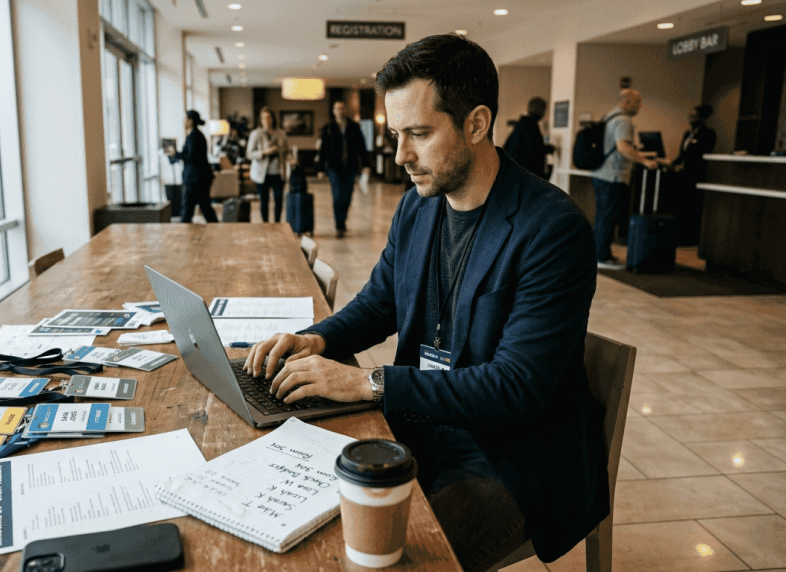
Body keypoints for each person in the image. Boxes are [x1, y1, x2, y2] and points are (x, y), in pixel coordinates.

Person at [246, 34, 608, 570]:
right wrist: (317, 338)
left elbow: (515, 388)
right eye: (396, 134)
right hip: (420, 427)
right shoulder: (420, 208)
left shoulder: (552, 230)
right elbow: (381, 300)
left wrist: (369, 382)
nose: (400, 156)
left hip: (510, 457)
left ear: (477, 124)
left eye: (418, 133)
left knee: (385, 558)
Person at [589, 89, 658, 269]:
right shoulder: (624, 120)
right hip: (614, 175)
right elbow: (623, 147)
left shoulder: (609, 117)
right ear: (626, 102)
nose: (640, 106)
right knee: (608, 216)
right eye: (637, 102)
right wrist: (645, 161)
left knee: (603, 215)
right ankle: (602, 256)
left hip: (601, 173)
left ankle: (599, 254)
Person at [317, 100, 370, 237]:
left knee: (347, 195)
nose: (339, 111)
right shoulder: (328, 128)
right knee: (337, 195)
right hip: (334, 168)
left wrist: (366, 165)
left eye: (342, 108)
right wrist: (321, 169)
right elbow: (323, 150)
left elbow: (362, 147)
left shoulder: (354, 127)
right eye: (337, 108)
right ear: (333, 111)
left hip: (351, 167)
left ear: (345, 110)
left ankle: (343, 220)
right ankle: (339, 225)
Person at [669, 104, 716, 244]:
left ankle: (690, 237)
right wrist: (671, 163)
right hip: (683, 175)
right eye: (690, 116)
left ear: (702, 118)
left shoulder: (709, 134)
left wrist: (685, 164)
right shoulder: (687, 134)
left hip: (696, 175)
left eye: (694, 116)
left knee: (692, 207)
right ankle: (678, 235)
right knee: (680, 206)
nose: (691, 119)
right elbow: (681, 155)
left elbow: (701, 155)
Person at [168, 110, 218, 223]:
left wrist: (176, 154)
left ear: (191, 121)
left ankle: (185, 232)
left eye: (185, 119)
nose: (183, 121)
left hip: (195, 179)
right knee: (204, 206)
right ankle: (216, 227)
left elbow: (191, 157)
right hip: (199, 177)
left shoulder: (194, 136)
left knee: (189, 208)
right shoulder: (195, 135)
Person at [246, 107, 290, 223]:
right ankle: (265, 224)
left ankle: (277, 224)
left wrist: (291, 159)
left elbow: (287, 151)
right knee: (264, 200)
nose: (266, 120)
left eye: (268, 117)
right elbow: (249, 154)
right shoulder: (256, 133)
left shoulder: (281, 133)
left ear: (273, 119)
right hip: (261, 173)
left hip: (278, 172)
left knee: (279, 199)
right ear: (260, 119)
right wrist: (264, 152)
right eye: (264, 118)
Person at [503, 96, 554, 179]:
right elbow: (534, 148)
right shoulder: (530, 126)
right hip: (525, 173)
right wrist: (549, 149)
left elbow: (506, 147)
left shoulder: (520, 125)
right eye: (542, 110)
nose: (543, 113)